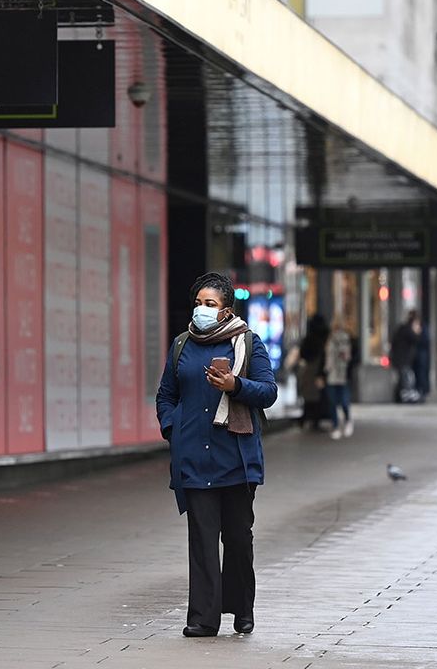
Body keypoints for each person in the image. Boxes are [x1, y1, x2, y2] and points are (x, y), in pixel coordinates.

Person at [156, 272, 278, 638]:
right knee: (203, 541)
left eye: (210, 304)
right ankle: (203, 619)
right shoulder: (182, 345)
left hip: (236, 459)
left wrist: (235, 385)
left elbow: (268, 392)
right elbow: (166, 394)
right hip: (194, 457)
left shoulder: (248, 344)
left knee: (238, 538)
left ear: (226, 310)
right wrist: (172, 427)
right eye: (198, 303)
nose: (202, 310)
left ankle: (241, 609)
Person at [295, 314, 330, 430]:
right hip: (316, 369)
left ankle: (306, 419)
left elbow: (302, 353)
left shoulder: (308, 339)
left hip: (309, 369)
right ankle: (314, 420)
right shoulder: (323, 338)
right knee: (316, 396)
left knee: (309, 396)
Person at [323, 316, 354, 440]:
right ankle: (336, 425)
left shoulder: (343, 338)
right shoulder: (330, 339)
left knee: (342, 400)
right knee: (333, 401)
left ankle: (346, 422)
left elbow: (347, 356)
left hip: (341, 374)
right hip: (332, 373)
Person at [390, 311, 420, 403]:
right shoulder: (407, 330)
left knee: (404, 378)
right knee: (406, 379)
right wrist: (417, 331)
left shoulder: (401, 329)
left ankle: (402, 396)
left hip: (400, 358)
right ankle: (405, 397)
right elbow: (416, 339)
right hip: (403, 359)